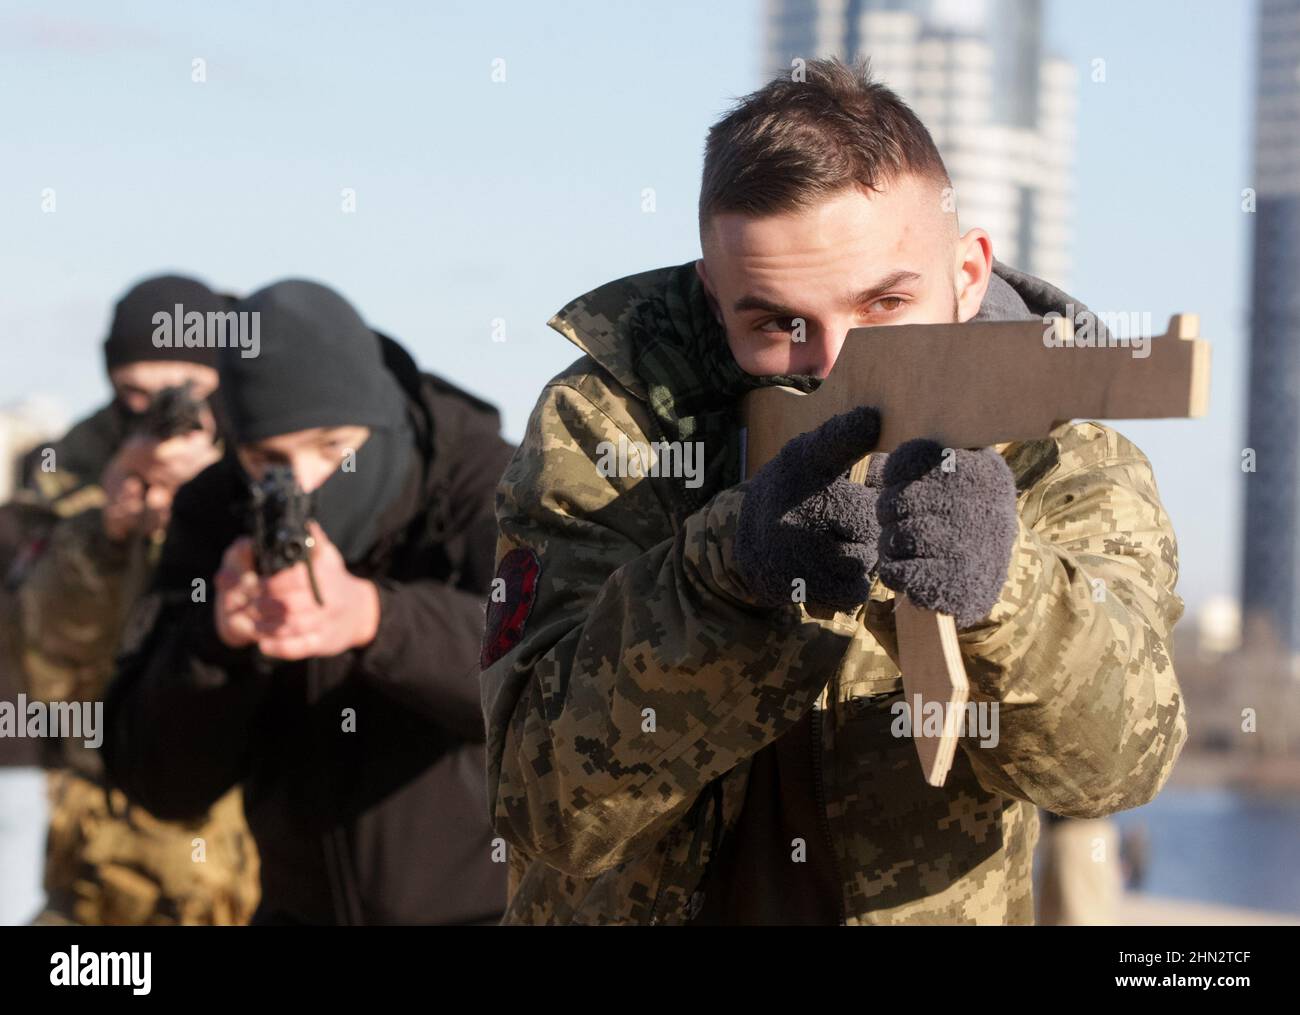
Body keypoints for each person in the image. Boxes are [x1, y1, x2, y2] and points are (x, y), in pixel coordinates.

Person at [480, 59, 1188, 925]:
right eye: (779, 323)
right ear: (715, 298)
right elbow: (541, 806)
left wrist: (1008, 592)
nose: (837, 366)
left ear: (969, 272)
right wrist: (727, 579)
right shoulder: (615, 423)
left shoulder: (1057, 440)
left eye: (886, 303)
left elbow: (1118, 764)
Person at [104, 279, 514, 925]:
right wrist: (216, 642)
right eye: (267, 456)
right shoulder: (215, 510)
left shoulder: (489, 484)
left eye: (333, 448)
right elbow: (156, 779)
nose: (302, 482)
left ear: (378, 418)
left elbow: (560, 688)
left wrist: (377, 618)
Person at [4, 274, 259, 925]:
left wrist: (207, 504)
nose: (160, 409)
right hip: (104, 852)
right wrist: (106, 531)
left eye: (186, 389)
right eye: (136, 394)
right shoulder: (69, 468)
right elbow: (48, 668)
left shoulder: (272, 449)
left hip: (253, 841)